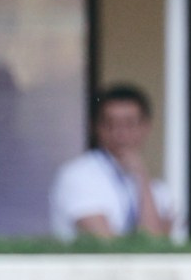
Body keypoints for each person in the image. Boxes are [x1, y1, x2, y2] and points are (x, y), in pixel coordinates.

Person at [49, 84, 177, 241]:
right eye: (111, 124)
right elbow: (106, 243)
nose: (120, 133)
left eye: (130, 124)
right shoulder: (79, 174)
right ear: (96, 127)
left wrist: (142, 177)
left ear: (146, 127)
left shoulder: (157, 189)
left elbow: (155, 244)